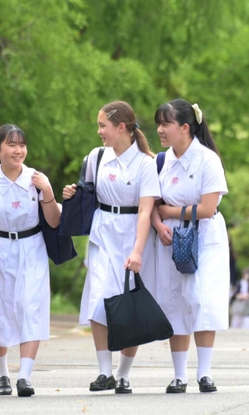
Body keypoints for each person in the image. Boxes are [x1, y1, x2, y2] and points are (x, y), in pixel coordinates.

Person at [62, 101, 159, 394]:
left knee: (129, 307)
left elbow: (145, 211)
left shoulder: (145, 164)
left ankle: (123, 374)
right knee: (98, 300)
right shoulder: (96, 157)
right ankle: (104, 371)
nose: (99, 131)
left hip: (132, 234)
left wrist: (138, 250)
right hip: (102, 233)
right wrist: (73, 193)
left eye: (103, 125)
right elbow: (88, 193)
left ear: (121, 128)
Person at [0, 124, 61, 397]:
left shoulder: (36, 179)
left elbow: (55, 221)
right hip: (0, 248)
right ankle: (2, 374)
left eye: (21, 144)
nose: (18, 150)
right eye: (11, 145)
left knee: (30, 307)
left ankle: (25, 376)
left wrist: (48, 192)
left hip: (32, 248)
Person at [152, 99, 229, 393]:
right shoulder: (162, 160)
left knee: (202, 298)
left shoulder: (207, 160)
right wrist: (161, 223)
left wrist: (171, 212)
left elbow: (208, 208)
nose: (160, 129)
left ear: (185, 128)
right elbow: (154, 202)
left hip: (205, 237)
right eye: (158, 123)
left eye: (165, 124)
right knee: (176, 301)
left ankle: (205, 372)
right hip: (171, 239)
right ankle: (180, 374)